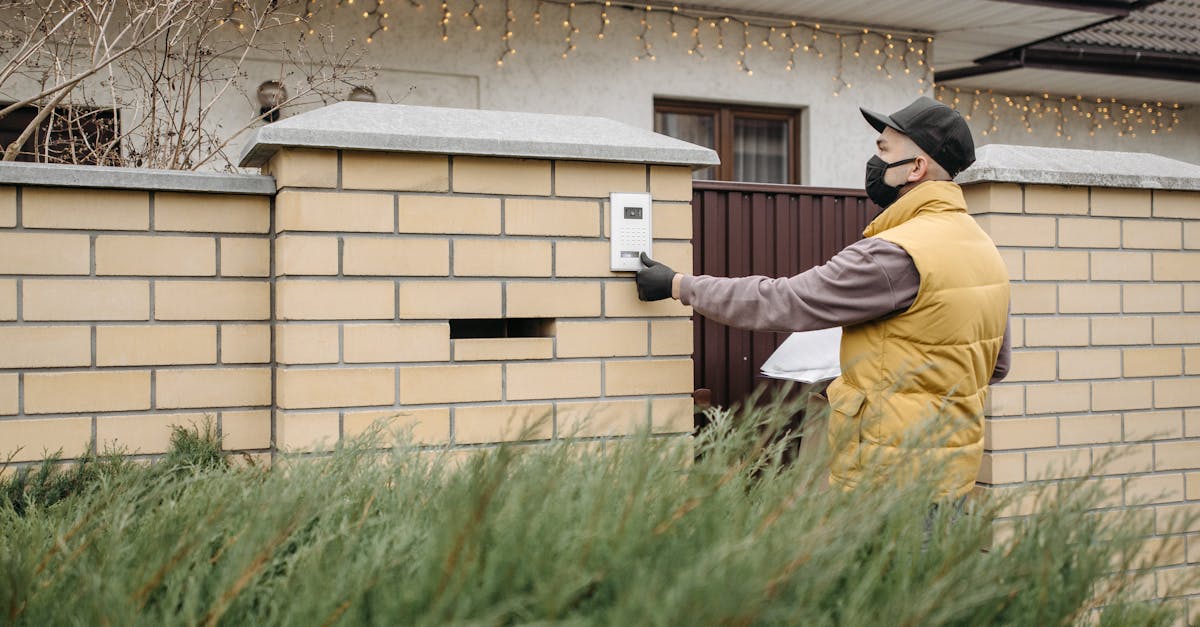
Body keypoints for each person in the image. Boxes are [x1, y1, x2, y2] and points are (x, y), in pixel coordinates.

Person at [635, 96, 1011, 500]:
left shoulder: (893, 253)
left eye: (884, 150)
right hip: (950, 473)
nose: (875, 161)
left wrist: (677, 285)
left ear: (917, 168)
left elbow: (782, 301)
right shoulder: (984, 249)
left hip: (886, 478)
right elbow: (995, 365)